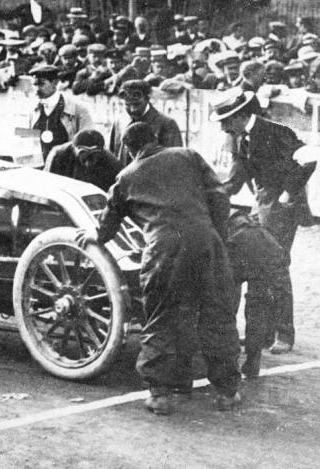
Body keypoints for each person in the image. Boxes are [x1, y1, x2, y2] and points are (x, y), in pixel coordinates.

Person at [89, 122, 241, 415]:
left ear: (128, 148)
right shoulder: (188, 155)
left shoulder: (125, 177)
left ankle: (161, 395)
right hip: (206, 240)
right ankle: (226, 393)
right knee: (217, 316)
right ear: (155, 137)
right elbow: (220, 196)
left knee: (163, 319)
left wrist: (94, 237)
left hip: (164, 249)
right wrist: (214, 234)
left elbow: (107, 226)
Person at [212, 88, 316, 355]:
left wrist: (288, 192)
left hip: (282, 205)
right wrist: (212, 195)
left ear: (240, 116)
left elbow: (310, 158)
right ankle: (263, 332)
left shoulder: (275, 131)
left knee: (276, 267)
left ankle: (285, 334)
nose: (223, 127)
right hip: (262, 203)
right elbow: (235, 179)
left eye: (226, 120)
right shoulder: (238, 139)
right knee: (259, 263)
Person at [226, 210, 292, 378]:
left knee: (225, 306)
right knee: (258, 307)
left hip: (240, 244)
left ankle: (229, 359)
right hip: (269, 248)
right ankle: (252, 361)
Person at [108, 80, 182, 166]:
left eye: (136, 104)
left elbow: (174, 161)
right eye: (127, 105)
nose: (132, 109)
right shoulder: (119, 122)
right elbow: (112, 157)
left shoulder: (167, 124)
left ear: (147, 99)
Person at [28, 64, 93, 161]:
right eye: (35, 84)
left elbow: (88, 141)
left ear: (55, 83)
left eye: (41, 84)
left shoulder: (77, 110)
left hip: (67, 166)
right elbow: (28, 141)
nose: (37, 89)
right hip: (41, 166)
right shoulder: (33, 110)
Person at [44, 129, 123, 192]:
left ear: (102, 152)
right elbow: (48, 186)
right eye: (83, 154)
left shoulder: (111, 162)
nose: (88, 163)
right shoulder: (59, 156)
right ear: (74, 149)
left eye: (94, 155)